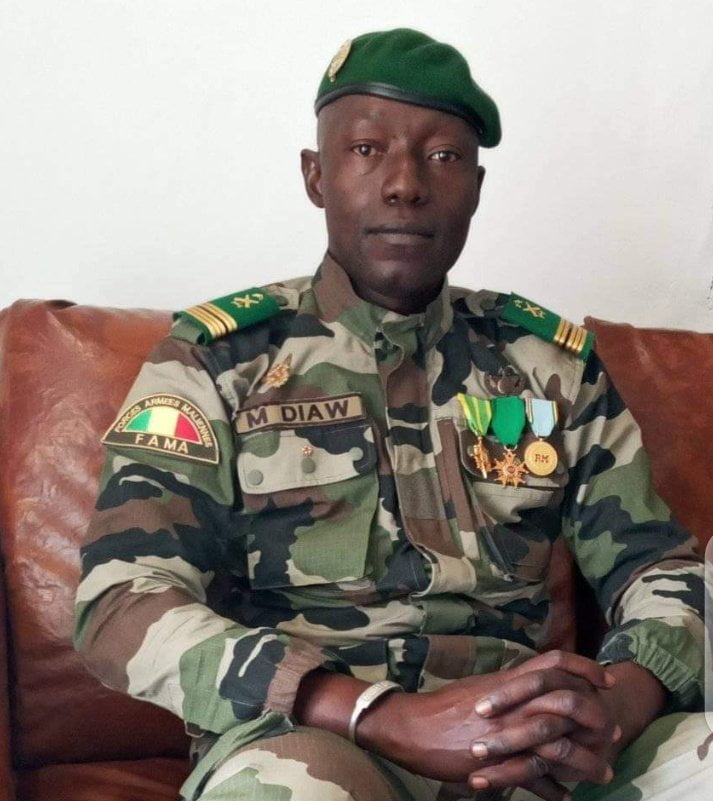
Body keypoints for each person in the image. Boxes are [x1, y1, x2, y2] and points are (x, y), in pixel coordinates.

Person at [73, 28, 710, 801]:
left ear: (475, 186)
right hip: (315, 743)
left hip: (533, 744)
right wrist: (373, 711)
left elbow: (655, 563)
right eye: (367, 149)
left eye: (441, 156)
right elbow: (122, 598)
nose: (405, 184)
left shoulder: (548, 365)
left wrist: (621, 699)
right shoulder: (217, 361)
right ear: (316, 176)